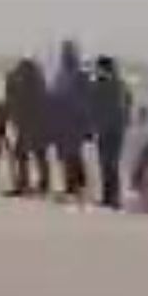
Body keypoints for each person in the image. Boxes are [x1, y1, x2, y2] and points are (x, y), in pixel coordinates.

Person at [48, 39, 92, 201]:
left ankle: (74, 186)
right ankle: (76, 185)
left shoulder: (79, 75)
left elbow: (86, 100)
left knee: (71, 154)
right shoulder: (61, 75)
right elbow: (54, 96)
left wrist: (86, 124)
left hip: (74, 120)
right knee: (69, 154)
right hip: (63, 120)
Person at [90, 55, 133, 208]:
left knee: (110, 163)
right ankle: (109, 196)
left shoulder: (110, 85)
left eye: (98, 68)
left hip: (111, 129)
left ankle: (113, 197)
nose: (97, 71)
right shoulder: (117, 84)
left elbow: (126, 105)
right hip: (109, 129)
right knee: (106, 164)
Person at [4, 57, 50, 196]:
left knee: (22, 153)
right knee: (38, 153)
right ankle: (43, 183)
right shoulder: (38, 82)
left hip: (27, 123)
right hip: (37, 122)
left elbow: (14, 103)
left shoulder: (20, 82)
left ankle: (24, 183)